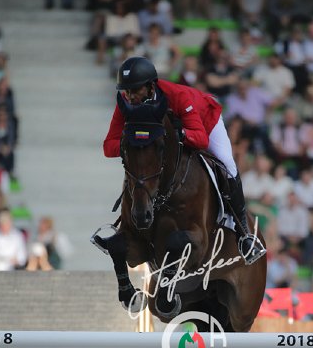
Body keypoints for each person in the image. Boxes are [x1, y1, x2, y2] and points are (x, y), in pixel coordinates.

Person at [100, 56, 264, 264]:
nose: (131, 96)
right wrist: (130, 145)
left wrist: (180, 134)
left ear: (151, 87)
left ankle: (243, 233)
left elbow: (201, 138)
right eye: (127, 91)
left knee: (227, 164)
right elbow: (108, 147)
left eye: (135, 90)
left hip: (206, 123)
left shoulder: (177, 96)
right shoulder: (126, 103)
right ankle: (125, 229)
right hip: (164, 144)